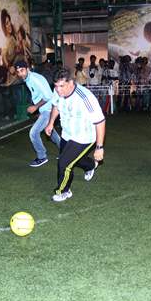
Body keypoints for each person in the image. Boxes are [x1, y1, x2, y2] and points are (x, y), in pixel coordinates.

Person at [45, 69, 106, 202]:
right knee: (75, 159)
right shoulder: (57, 92)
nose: (58, 90)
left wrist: (99, 147)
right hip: (67, 134)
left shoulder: (85, 98)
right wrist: (50, 123)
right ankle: (91, 166)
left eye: (61, 86)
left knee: (64, 163)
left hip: (84, 137)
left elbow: (100, 122)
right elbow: (56, 106)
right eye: (55, 86)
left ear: (71, 83)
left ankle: (63, 191)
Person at [15, 60, 61, 167]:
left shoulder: (34, 79)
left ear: (27, 69)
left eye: (22, 70)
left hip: (49, 109)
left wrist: (36, 107)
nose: (20, 73)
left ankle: (42, 157)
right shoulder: (28, 79)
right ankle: (64, 150)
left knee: (33, 133)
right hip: (45, 109)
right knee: (51, 131)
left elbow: (48, 96)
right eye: (18, 71)